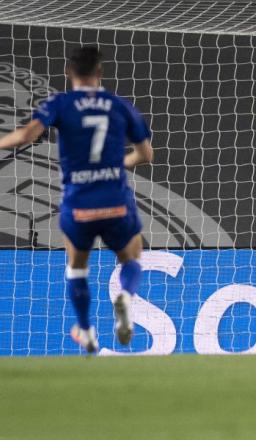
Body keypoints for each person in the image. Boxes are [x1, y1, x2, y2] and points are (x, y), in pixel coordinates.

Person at [0, 46, 153, 353]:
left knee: (77, 267)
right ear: (100, 72)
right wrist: (114, 165)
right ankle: (125, 296)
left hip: (78, 205)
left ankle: (85, 331)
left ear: (69, 73)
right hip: (115, 200)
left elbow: (27, 136)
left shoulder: (60, 103)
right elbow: (146, 155)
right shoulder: (118, 105)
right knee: (132, 258)